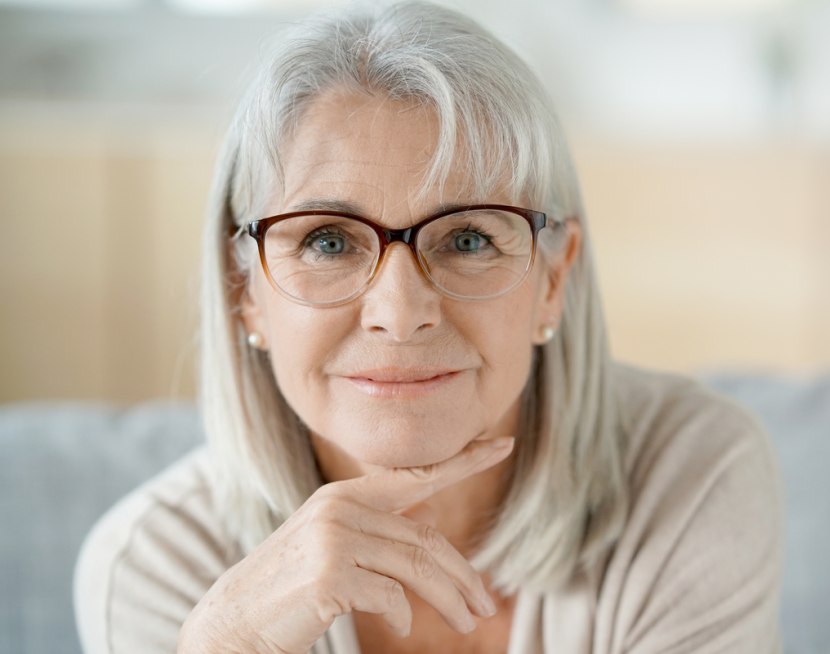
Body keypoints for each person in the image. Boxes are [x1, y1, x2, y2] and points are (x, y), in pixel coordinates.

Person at [74, 2, 784, 652]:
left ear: (553, 282)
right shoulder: (156, 565)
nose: (400, 312)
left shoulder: (692, 474)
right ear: (245, 293)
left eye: (468, 238)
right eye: (328, 240)